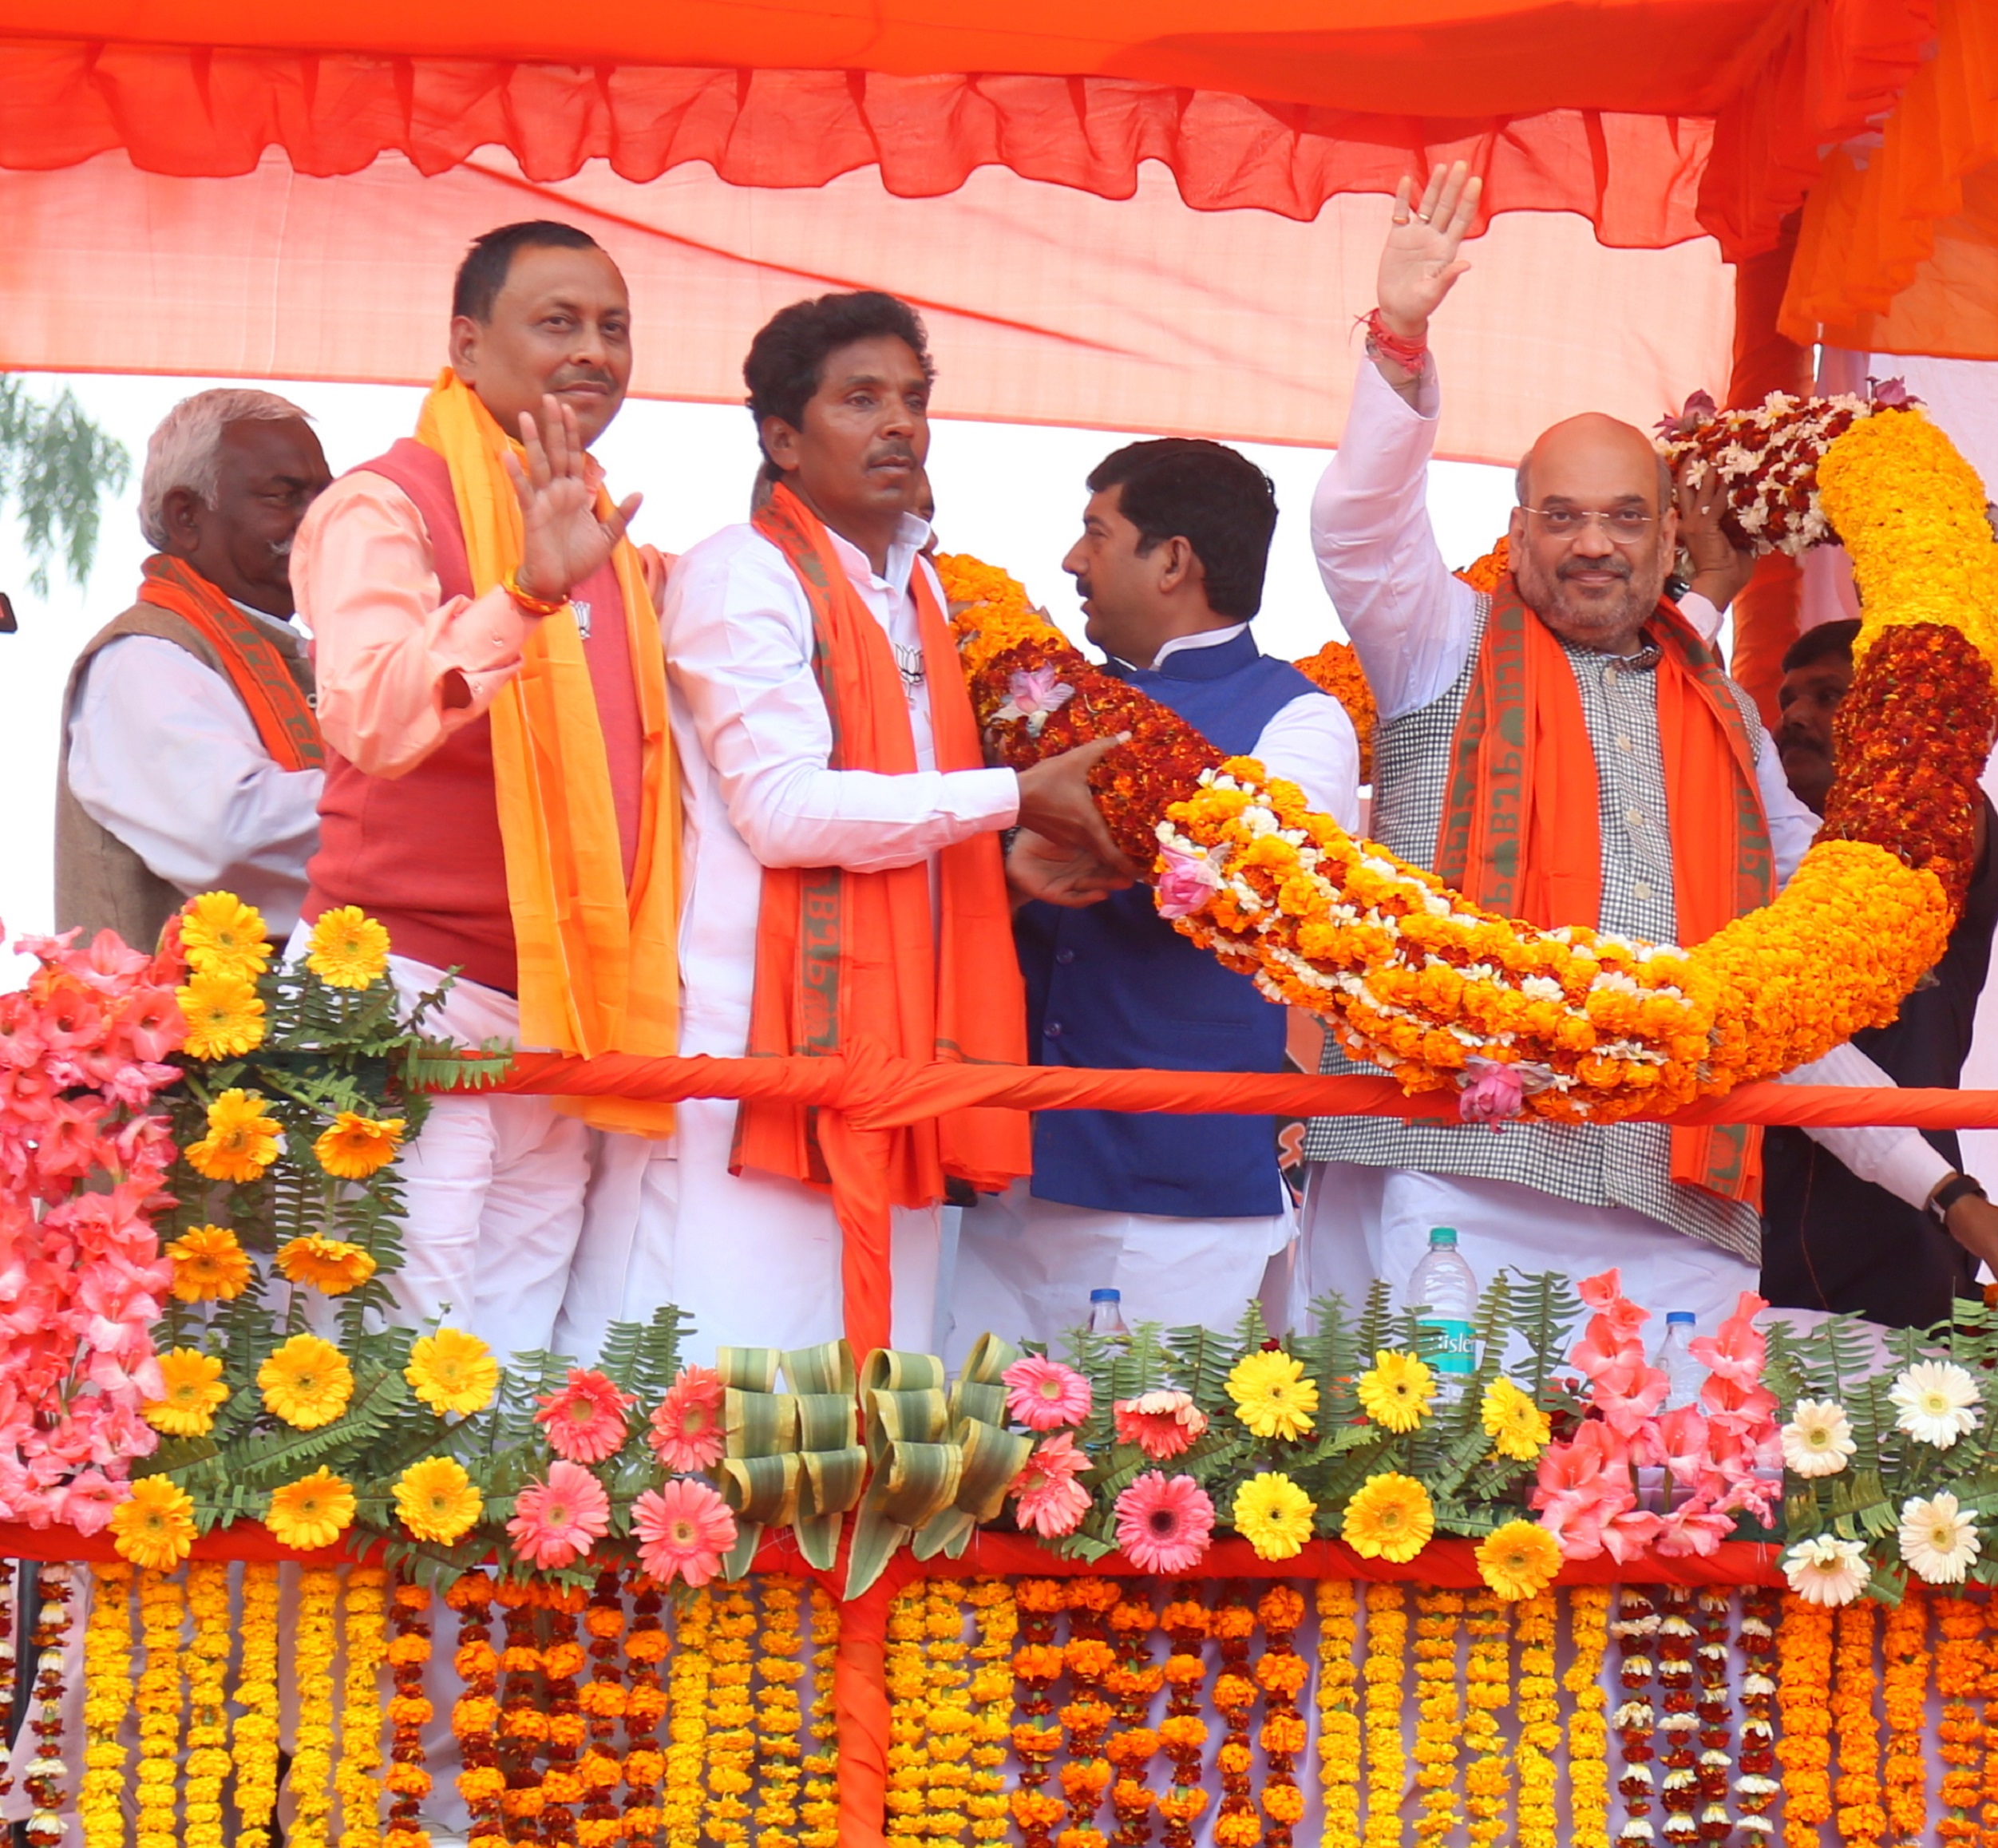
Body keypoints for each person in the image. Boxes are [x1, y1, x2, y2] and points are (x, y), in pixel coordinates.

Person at [1297, 164, 1998, 1329]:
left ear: (1670, 544)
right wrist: (1399, 335)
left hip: (1680, 1209)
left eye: (1624, 517)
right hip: (1453, 1177)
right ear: (1515, 535)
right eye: (1562, 516)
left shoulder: (1731, 724)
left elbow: (1776, 996)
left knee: (1669, 1510)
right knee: (1438, 1500)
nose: (1593, 544)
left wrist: (1944, 1188)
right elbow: (1360, 527)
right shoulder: (1435, 642)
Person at [556, 291, 1128, 1360]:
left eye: (913, 398)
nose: (900, 424)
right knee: (714, 1390)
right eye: (861, 399)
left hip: (896, 1049)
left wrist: (1000, 866)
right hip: (751, 1057)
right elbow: (780, 810)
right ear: (782, 437)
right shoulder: (745, 573)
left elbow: (901, 820)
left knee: (869, 1395)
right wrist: (1013, 797)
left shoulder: (922, 593)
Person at [291, 220, 682, 1361]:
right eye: (557, 322)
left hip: (560, 1007)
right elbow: (367, 713)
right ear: (467, 344)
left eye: (613, 327)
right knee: (381, 1375)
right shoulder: (384, 504)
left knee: (512, 1373)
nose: (594, 352)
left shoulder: (619, 537)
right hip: (403, 986)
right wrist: (520, 593)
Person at [948, 439, 1363, 1352]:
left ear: (1173, 559)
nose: (1070, 560)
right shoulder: (1039, 698)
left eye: (1097, 531)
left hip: (1172, 1185)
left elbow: (1256, 878)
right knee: (968, 1471)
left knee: (1144, 1479)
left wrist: (1080, 833)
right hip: (1001, 1164)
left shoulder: (1298, 715)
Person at [1762, 619, 1998, 1327]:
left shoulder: (1943, 829)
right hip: (1749, 1238)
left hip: (1910, 1226)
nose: (1794, 718)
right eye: (1788, 700)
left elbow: (1935, 791)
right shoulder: (1739, 859)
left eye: (1829, 696)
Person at [57, 390, 331, 948]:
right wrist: (413, 809)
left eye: (326, 497)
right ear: (187, 516)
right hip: (183, 1032)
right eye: (284, 496)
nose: (319, 520)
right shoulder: (141, 659)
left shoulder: (298, 650)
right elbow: (231, 834)